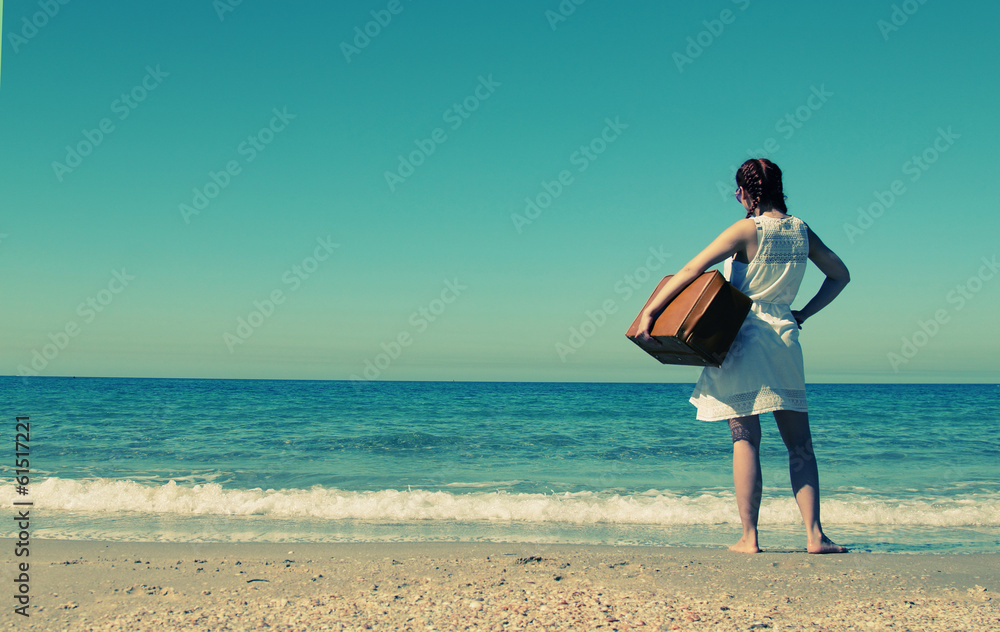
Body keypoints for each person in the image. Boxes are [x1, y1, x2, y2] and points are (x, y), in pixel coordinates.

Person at [635, 159, 850, 554]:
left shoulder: (746, 229)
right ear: (779, 187)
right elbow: (840, 275)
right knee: (800, 445)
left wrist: (650, 311)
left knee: (745, 438)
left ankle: (749, 538)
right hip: (784, 340)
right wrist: (802, 312)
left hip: (742, 338)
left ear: (744, 192)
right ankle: (815, 536)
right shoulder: (801, 231)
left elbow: (690, 268)